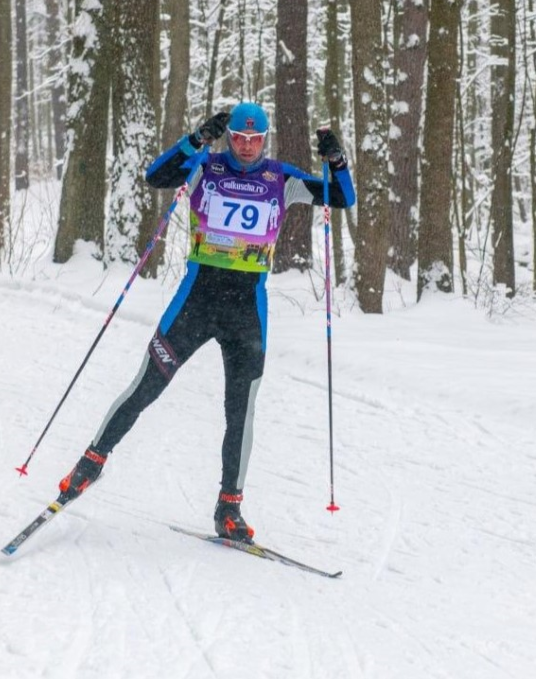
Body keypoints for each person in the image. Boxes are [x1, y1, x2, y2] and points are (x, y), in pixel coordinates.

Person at [56, 102, 356, 542]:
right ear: (229, 137)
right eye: (238, 138)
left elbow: (341, 197)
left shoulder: (281, 179)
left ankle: (228, 508)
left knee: (241, 410)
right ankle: (89, 464)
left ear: (265, 138)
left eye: (255, 140)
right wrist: (196, 138)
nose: (247, 147)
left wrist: (336, 160)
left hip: (247, 312)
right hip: (196, 302)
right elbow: (156, 176)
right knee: (146, 386)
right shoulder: (206, 167)